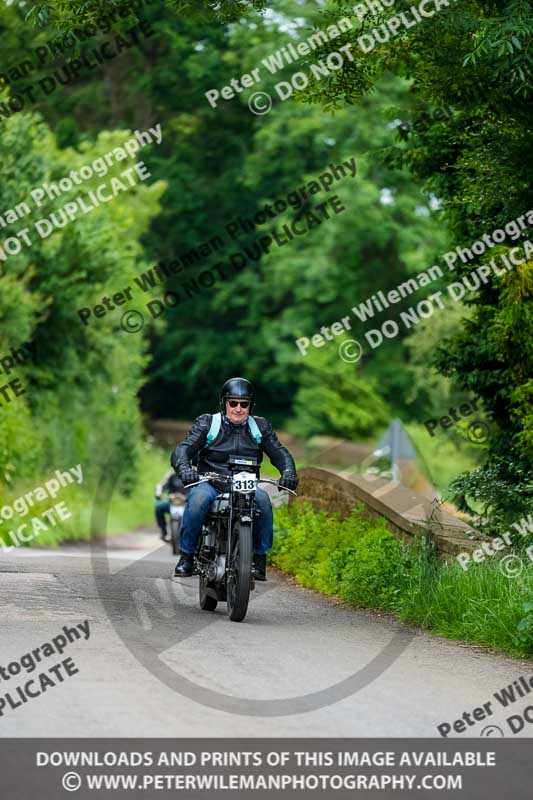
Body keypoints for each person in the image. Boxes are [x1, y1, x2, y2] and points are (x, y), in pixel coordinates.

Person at [170, 377, 298, 580]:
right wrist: (185, 468)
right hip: (211, 482)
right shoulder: (208, 423)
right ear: (224, 403)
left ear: (250, 406)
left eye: (244, 404)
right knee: (197, 500)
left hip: (244, 486)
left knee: (263, 500)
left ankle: (258, 559)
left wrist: (289, 471)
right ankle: (187, 557)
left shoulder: (260, 427)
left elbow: (279, 453)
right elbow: (183, 449)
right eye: (233, 403)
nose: (238, 408)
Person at [154, 470, 188, 540]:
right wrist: (158, 493)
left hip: (187, 503)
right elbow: (161, 485)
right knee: (159, 507)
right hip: (173, 503)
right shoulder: (170, 475)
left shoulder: (192, 474)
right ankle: (164, 531)